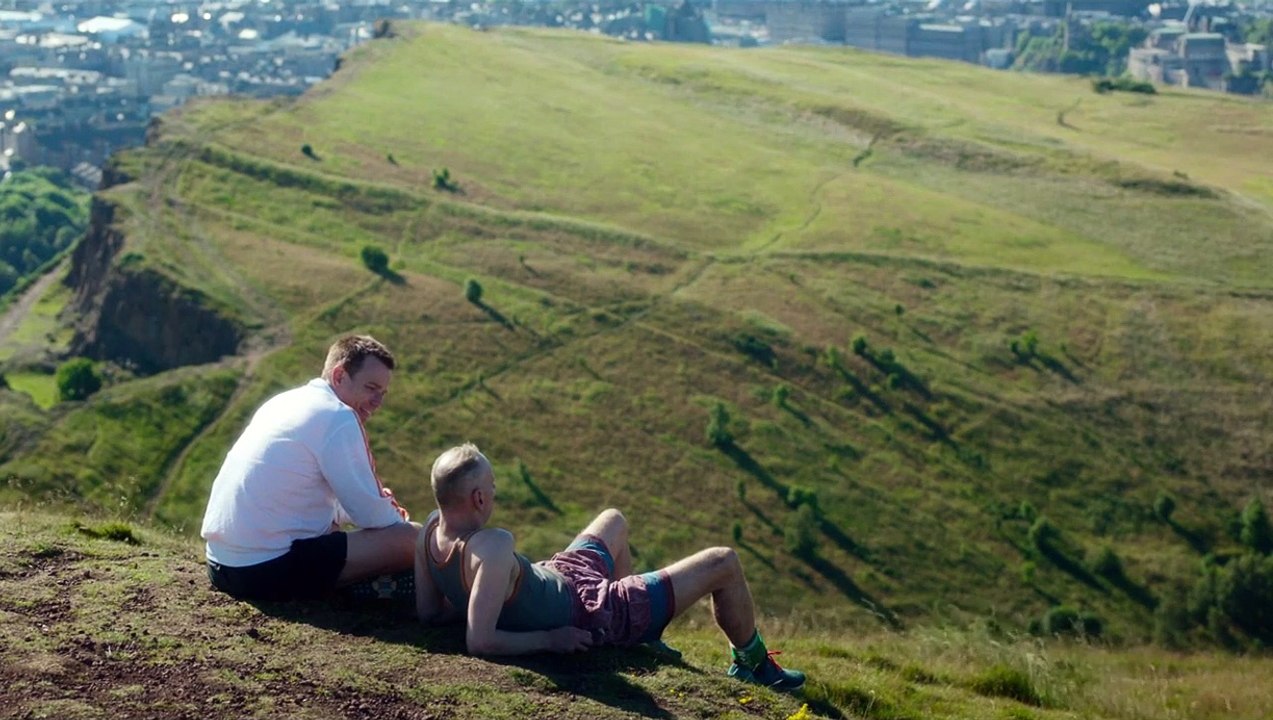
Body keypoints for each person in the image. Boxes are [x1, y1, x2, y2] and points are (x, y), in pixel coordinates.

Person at [415, 443, 806, 692]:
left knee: (613, 519)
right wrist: (549, 639)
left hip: (561, 575)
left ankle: (639, 632)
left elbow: (430, 612)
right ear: (479, 498)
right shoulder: (494, 545)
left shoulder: (430, 531)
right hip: (591, 611)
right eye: (492, 485)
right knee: (724, 562)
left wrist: (481, 599)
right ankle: (753, 663)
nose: (495, 491)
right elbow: (480, 642)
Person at [201, 334, 420, 601]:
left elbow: (301, 494)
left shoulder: (283, 401)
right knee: (413, 539)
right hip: (263, 571)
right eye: (371, 388)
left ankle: (349, 582)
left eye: (382, 393)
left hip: (219, 563)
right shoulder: (339, 416)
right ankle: (361, 588)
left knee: (334, 526)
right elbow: (372, 516)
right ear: (339, 375)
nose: (378, 402)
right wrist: (398, 521)